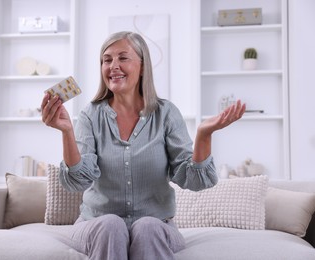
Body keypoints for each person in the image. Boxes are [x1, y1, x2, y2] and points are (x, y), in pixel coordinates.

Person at [41, 31, 246, 260]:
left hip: (157, 226)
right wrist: (67, 131)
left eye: (123, 58)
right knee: (111, 225)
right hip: (96, 225)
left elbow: (195, 180)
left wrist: (204, 135)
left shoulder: (166, 114)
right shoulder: (91, 115)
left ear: (143, 66)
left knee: (147, 227)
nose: (113, 66)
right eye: (107, 60)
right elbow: (78, 181)